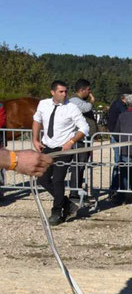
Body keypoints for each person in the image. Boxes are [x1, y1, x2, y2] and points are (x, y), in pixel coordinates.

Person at [32, 81, 90, 225]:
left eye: (65, 91)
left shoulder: (72, 108)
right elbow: (36, 120)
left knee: (58, 180)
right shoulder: (43, 104)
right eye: (61, 92)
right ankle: (67, 204)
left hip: (64, 149)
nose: (64, 94)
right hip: (47, 147)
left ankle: (57, 212)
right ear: (53, 92)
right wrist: (35, 139)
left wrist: (71, 142)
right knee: (42, 179)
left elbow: (84, 127)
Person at [67, 79, 97, 197]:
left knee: (81, 165)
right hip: (79, 140)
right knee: (78, 165)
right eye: (88, 90)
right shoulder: (74, 100)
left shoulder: (79, 100)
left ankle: (77, 190)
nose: (90, 92)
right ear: (82, 90)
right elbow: (86, 108)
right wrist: (92, 100)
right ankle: (74, 192)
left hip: (84, 139)